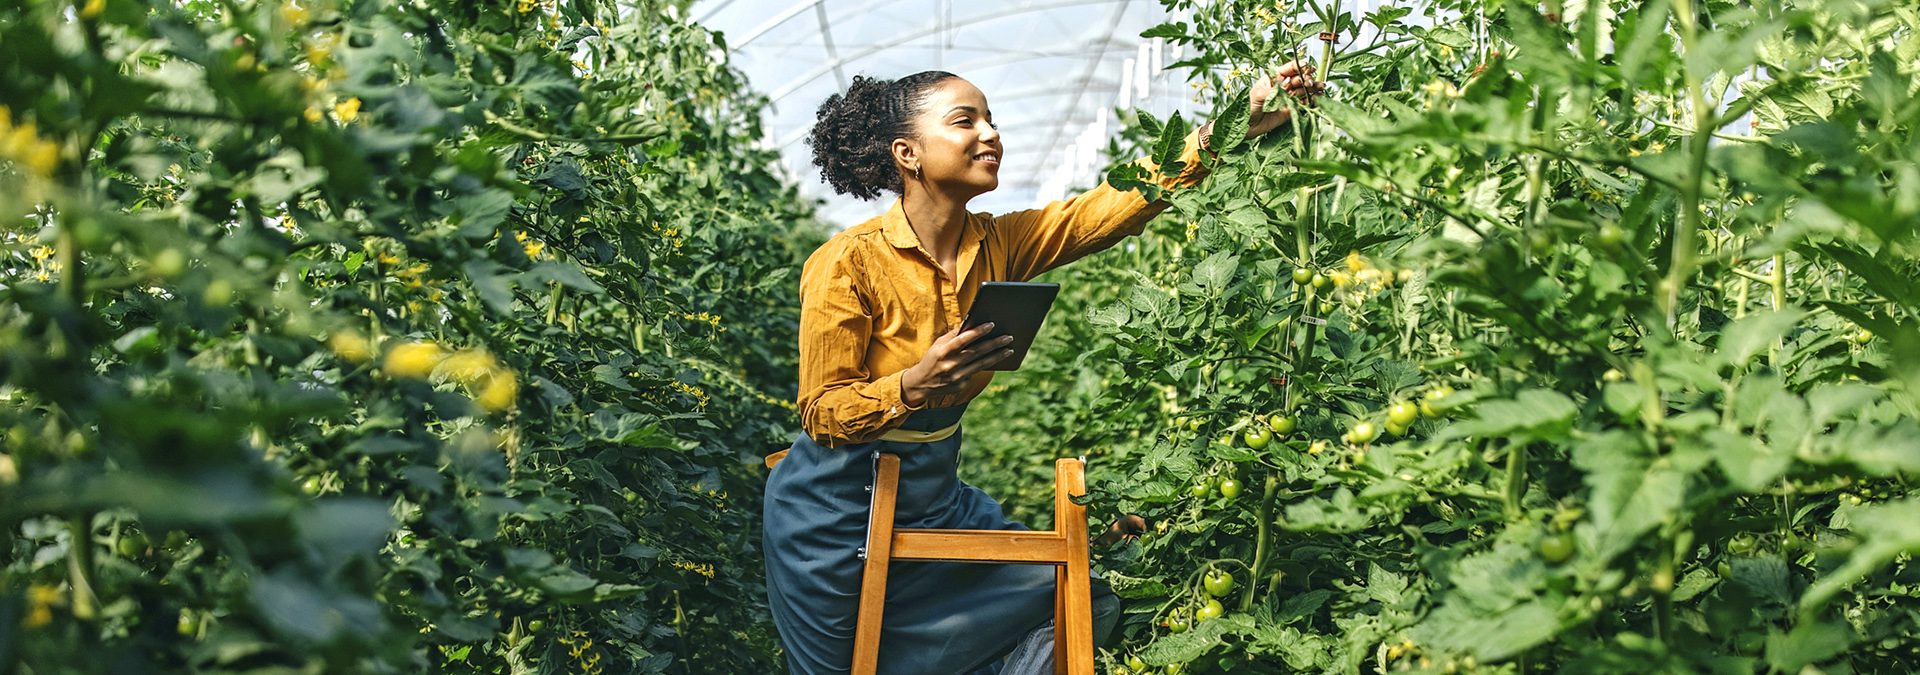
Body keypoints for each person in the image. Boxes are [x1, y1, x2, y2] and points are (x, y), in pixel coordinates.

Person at [763, 62, 1324, 675]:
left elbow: (1108, 208)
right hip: (836, 514)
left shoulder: (1000, 242)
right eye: (964, 120)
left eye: (991, 118)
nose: (990, 134)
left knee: (1078, 594)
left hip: (933, 495)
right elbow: (822, 413)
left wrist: (1228, 131)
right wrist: (911, 385)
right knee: (847, 666)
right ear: (908, 153)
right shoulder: (847, 263)